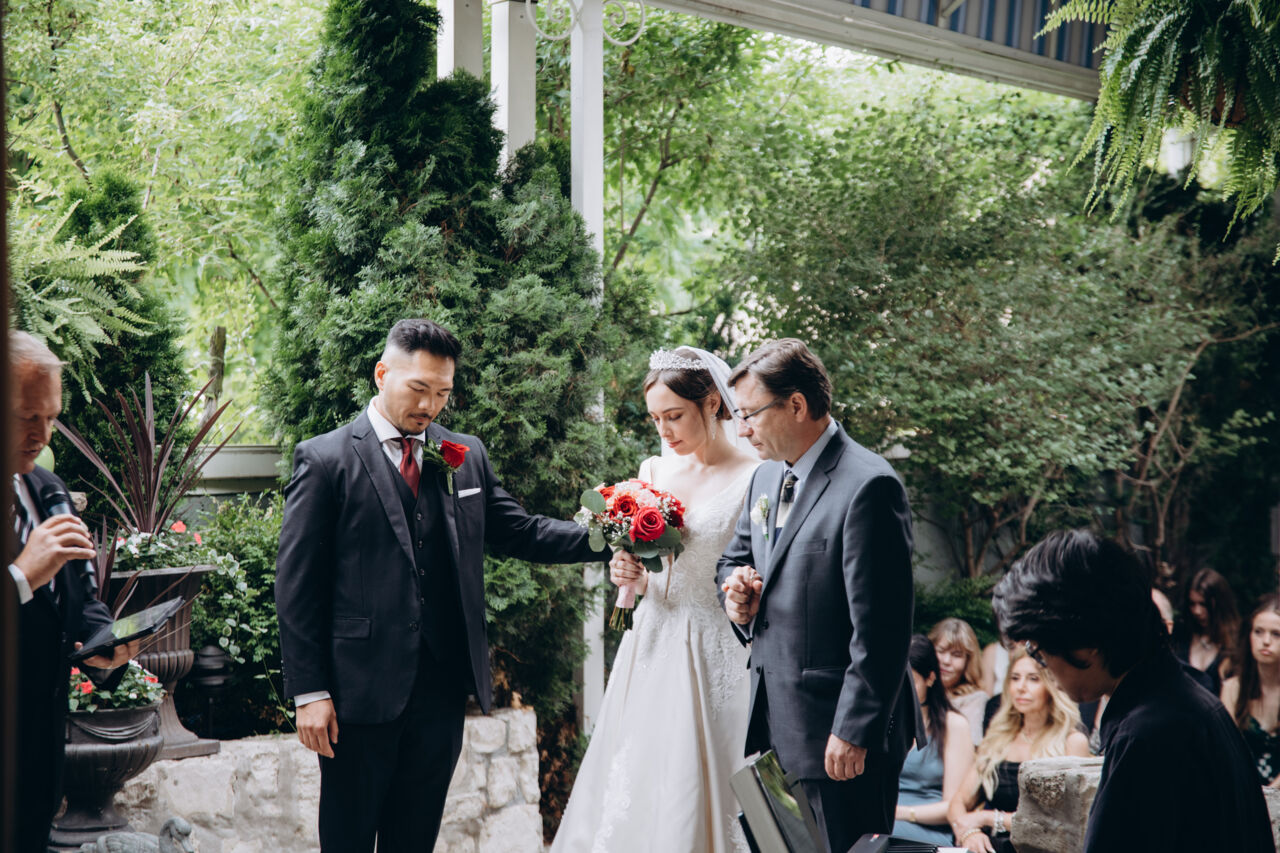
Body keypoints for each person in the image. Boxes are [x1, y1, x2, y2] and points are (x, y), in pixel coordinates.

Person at [274, 319, 608, 852]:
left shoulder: (463, 454)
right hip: (358, 693)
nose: (430, 406)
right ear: (382, 374)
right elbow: (297, 584)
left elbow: (521, 531)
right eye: (419, 389)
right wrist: (309, 692)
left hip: (441, 691)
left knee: (416, 840)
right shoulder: (325, 459)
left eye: (443, 393)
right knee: (348, 839)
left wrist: (612, 535)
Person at [552, 347, 760, 853]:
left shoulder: (756, 475)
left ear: (713, 403)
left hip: (718, 645)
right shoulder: (654, 471)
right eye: (655, 419)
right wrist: (627, 573)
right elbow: (648, 574)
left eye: (674, 416)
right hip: (650, 642)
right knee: (636, 775)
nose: (664, 431)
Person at [716, 338, 919, 853]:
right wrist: (736, 594)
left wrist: (853, 729)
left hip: (840, 736)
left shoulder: (869, 486)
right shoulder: (766, 477)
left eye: (749, 415)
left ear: (797, 405)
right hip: (777, 723)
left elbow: (883, 629)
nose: (742, 429)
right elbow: (733, 561)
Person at [992, 529, 1274, 853]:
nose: (1043, 666)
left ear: (1087, 644)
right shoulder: (1181, 703)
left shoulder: (1148, 736)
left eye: (1039, 652)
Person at [8, 330, 134, 852]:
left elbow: (83, 606)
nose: (42, 435)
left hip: (38, 767)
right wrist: (21, 577)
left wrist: (110, 646)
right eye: (26, 417)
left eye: (51, 417)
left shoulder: (49, 491)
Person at [947, 649, 1089, 852]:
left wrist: (988, 818)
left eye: (1033, 679)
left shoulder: (1072, 742)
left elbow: (1062, 824)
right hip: (991, 847)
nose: (1021, 687)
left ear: (1052, 685)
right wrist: (970, 832)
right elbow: (958, 802)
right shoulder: (999, 736)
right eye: (1015, 678)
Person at [892, 635, 974, 845]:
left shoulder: (953, 725)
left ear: (930, 678)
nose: (900, 692)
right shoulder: (886, 723)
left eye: (910, 683)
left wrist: (901, 813)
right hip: (884, 821)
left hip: (926, 827)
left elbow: (954, 805)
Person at [1221, 594, 1280, 787]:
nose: (1266, 641)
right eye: (1258, 632)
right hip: (1242, 788)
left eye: (1276, 634)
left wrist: (1271, 793)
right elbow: (1226, 750)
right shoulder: (1233, 689)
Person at [1173, 567, 1239, 696]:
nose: (1197, 611)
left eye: (1203, 604)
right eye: (1192, 604)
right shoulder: (1181, 635)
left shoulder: (1235, 643)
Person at [930, 618, 990, 746]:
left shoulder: (975, 699)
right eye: (941, 651)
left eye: (956, 655)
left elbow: (969, 744)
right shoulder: (917, 690)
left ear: (968, 662)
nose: (946, 661)